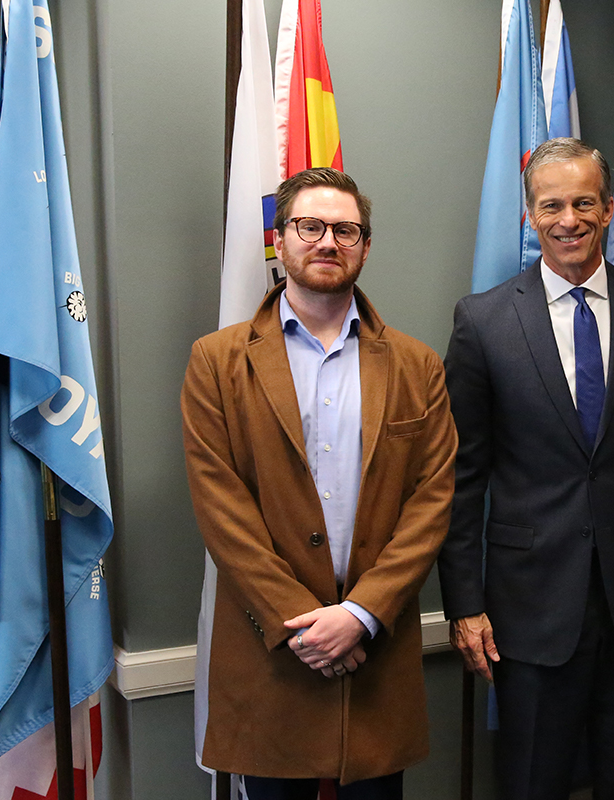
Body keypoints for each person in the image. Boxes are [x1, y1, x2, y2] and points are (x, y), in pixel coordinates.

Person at [439, 137, 614, 800]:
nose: (569, 219)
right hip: (529, 605)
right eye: (552, 205)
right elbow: (459, 476)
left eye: (584, 202)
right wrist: (464, 603)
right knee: (534, 779)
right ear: (530, 216)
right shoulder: (483, 322)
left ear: (609, 209)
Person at [181, 167, 457, 799]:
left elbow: (432, 503)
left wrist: (361, 615)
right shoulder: (217, 362)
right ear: (280, 241)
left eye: (346, 229)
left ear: (364, 246)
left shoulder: (418, 367)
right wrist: (304, 625)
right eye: (311, 226)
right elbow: (221, 508)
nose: (328, 241)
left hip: (376, 656)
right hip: (273, 655)